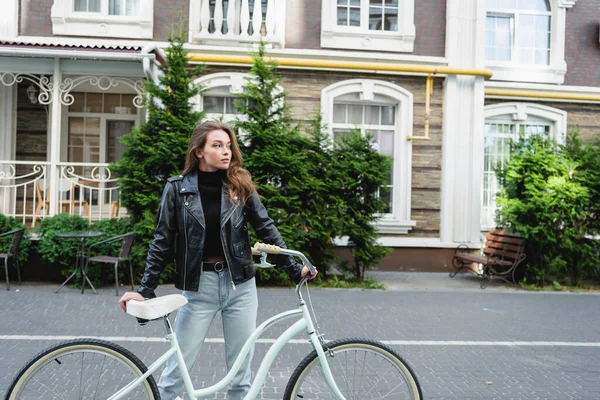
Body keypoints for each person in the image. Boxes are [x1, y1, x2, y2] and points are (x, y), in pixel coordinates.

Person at [118, 120, 317, 400]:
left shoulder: (240, 186)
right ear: (199, 151)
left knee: (240, 375)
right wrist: (145, 291)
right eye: (217, 145)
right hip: (199, 289)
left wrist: (295, 270)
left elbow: (266, 229)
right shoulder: (177, 189)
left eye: (228, 146)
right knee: (176, 373)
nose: (226, 151)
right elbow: (162, 241)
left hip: (241, 288)